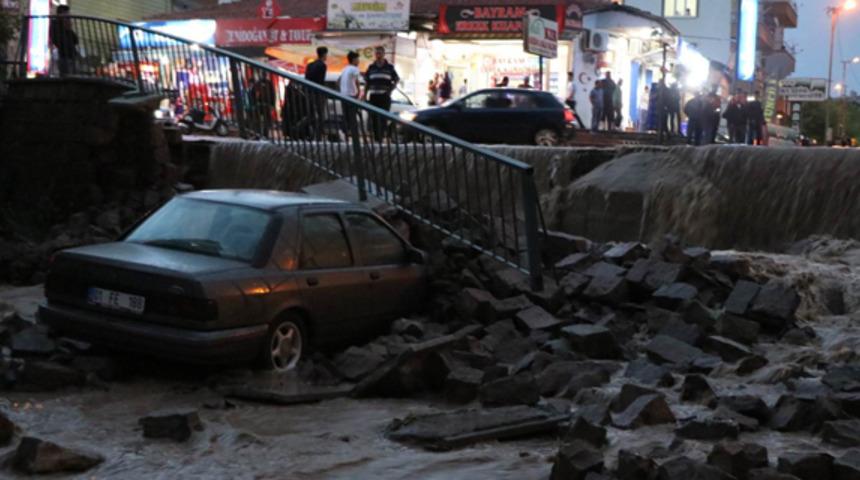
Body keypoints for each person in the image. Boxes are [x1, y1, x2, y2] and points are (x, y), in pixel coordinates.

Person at [363, 46, 400, 141]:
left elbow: (396, 79)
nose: (378, 55)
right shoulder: (371, 67)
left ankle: (382, 136)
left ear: (384, 54)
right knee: (374, 117)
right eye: (377, 53)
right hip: (374, 96)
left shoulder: (390, 67)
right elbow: (367, 82)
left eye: (380, 53)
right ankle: (376, 138)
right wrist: (365, 94)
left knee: (384, 117)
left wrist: (390, 91)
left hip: (384, 96)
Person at [50, 5, 78, 76]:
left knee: (74, 77)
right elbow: (58, 41)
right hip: (64, 56)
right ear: (60, 14)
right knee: (66, 77)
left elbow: (76, 40)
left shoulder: (65, 25)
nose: (68, 17)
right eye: (66, 14)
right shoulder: (55, 24)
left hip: (72, 55)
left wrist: (69, 29)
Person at [339, 51, 361, 136]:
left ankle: (344, 133)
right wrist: (358, 92)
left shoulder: (345, 68)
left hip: (343, 95)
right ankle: (353, 135)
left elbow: (338, 81)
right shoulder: (355, 69)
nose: (359, 61)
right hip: (351, 96)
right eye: (358, 59)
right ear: (354, 60)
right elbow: (357, 81)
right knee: (352, 117)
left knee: (346, 117)